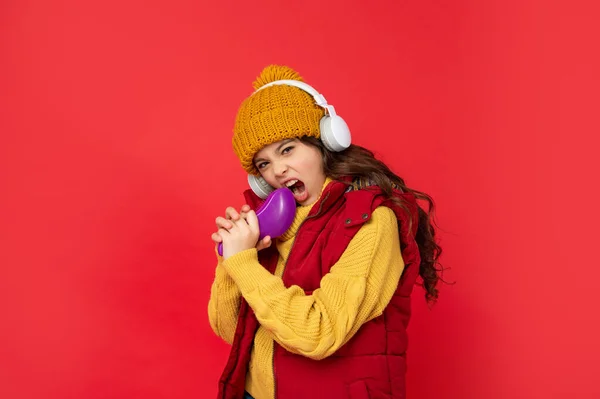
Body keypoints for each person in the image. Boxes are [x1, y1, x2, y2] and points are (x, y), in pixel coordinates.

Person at [208, 65, 443, 399]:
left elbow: (319, 333)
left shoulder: (372, 221)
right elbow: (231, 329)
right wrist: (233, 258)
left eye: (287, 150)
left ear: (325, 141)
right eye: (263, 164)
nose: (277, 170)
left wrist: (244, 265)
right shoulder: (270, 228)